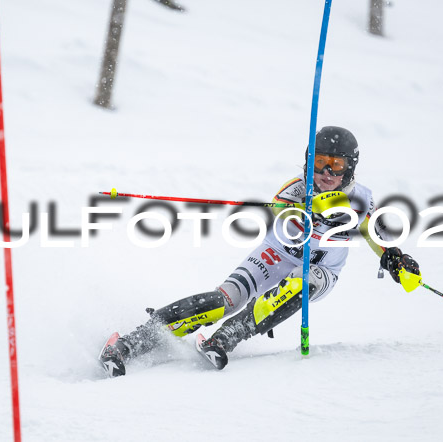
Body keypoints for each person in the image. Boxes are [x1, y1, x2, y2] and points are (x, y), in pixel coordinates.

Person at [100, 126, 421, 377]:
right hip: (275, 255)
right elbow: (280, 209)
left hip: (322, 271)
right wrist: (308, 211)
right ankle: (130, 343)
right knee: (222, 300)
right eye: (319, 162)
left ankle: (227, 337)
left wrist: (394, 258)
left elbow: (377, 236)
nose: (326, 172)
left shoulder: (362, 199)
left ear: (350, 169)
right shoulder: (296, 188)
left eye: (335, 166)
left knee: (302, 283)